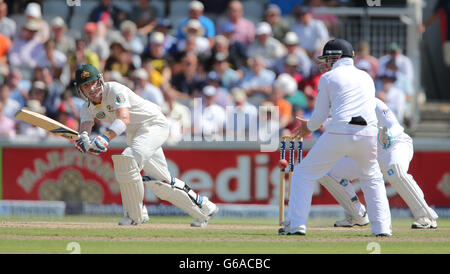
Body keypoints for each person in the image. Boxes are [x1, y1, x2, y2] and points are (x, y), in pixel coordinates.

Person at [73, 64, 219, 227]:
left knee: (127, 161)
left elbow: (123, 119)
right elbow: (85, 125)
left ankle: (135, 216)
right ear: (80, 90)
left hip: (153, 124)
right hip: (136, 133)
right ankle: (204, 209)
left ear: (100, 80)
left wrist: (105, 138)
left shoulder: (114, 89)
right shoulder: (87, 107)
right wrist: (83, 139)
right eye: (86, 85)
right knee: (161, 184)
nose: (92, 88)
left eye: (94, 83)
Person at [279, 39, 392, 236]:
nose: (325, 63)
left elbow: (320, 115)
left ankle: (296, 225)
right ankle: (382, 229)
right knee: (372, 178)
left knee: (303, 174)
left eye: (327, 59)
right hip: (367, 133)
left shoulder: (329, 78)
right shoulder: (366, 77)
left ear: (336, 57)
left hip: (339, 132)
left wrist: (308, 127)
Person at [319, 98, 438, 229]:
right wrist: (310, 125)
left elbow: (396, 127)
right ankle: (357, 215)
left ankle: (425, 216)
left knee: (394, 169)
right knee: (327, 173)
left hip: (395, 145)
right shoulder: (344, 108)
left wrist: (389, 134)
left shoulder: (374, 103)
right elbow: (328, 123)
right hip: (370, 155)